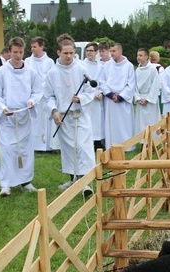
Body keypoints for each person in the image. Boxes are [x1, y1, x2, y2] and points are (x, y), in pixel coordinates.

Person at [0, 37, 42, 197]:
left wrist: (33, 101)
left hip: (24, 114)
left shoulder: (31, 72)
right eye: (14, 52)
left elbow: (38, 91)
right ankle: (6, 184)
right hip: (8, 117)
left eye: (20, 52)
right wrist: (3, 108)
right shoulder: (0, 72)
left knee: (25, 150)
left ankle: (26, 181)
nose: (18, 55)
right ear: (9, 52)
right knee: (7, 150)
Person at [44, 36, 97, 194]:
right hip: (64, 117)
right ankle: (73, 179)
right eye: (65, 53)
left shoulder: (81, 69)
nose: (69, 56)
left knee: (82, 146)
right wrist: (54, 111)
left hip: (80, 115)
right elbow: (48, 96)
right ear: (58, 52)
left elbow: (91, 90)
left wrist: (80, 98)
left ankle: (85, 182)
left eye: (71, 53)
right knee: (69, 148)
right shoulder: (52, 73)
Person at [99, 42, 135, 151]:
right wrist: (110, 94)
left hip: (123, 100)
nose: (112, 53)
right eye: (110, 51)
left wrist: (121, 96)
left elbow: (131, 84)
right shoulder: (107, 65)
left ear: (120, 51)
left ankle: (127, 146)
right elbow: (102, 81)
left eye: (114, 51)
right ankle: (111, 145)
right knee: (111, 125)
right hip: (110, 100)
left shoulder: (128, 66)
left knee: (124, 125)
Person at [24, 36, 56, 153]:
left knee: (46, 121)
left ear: (41, 47)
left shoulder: (49, 62)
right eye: (31, 46)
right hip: (33, 96)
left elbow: (51, 78)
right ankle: (35, 145)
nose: (32, 49)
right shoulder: (27, 61)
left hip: (45, 96)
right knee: (35, 121)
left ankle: (47, 145)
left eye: (35, 46)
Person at [82, 42, 105, 151]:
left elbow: (102, 81)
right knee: (87, 119)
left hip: (98, 98)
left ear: (96, 52)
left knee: (97, 119)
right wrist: (92, 93)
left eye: (91, 51)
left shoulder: (101, 66)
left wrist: (100, 92)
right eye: (87, 51)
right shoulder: (82, 65)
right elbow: (83, 82)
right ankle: (88, 140)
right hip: (87, 96)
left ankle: (97, 141)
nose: (88, 53)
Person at [134, 48, 161, 137]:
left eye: (141, 55)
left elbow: (155, 85)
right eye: (138, 55)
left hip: (150, 98)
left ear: (146, 57)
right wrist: (138, 97)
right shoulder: (137, 70)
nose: (138, 57)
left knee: (151, 120)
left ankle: (152, 141)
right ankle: (142, 141)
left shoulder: (152, 69)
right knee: (141, 122)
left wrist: (148, 99)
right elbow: (134, 85)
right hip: (140, 98)